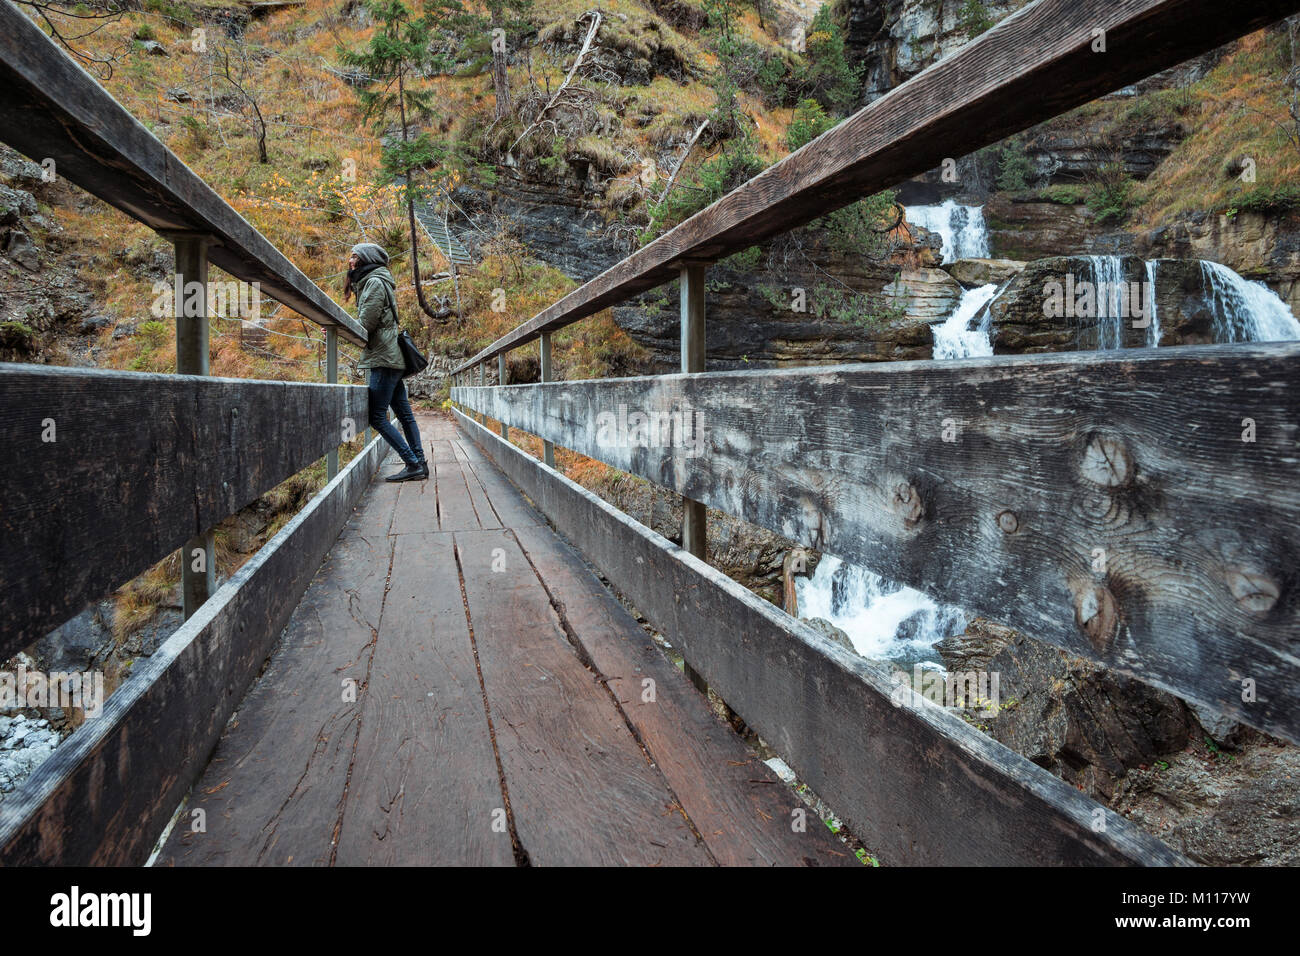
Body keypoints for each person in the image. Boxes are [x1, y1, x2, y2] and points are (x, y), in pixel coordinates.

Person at [345, 242, 427, 482]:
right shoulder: (377, 280)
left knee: (377, 416)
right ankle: (420, 463)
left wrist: (339, 328)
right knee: (404, 414)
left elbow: (366, 324)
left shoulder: (373, 282)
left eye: (354, 256)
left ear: (365, 258)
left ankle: (412, 462)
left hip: (383, 358)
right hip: (390, 357)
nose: (350, 261)